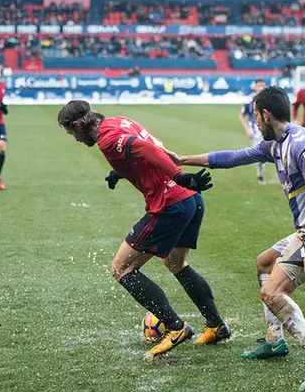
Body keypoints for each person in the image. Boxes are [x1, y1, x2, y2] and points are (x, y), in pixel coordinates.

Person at [168, 86, 305, 391]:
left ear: (266, 115)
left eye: (255, 116)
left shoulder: (301, 145)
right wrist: (183, 160)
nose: (254, 122)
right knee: (264, 264)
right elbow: (233, 157)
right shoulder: (276, 144)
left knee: (272, 293)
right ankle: (275, 341)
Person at [57, 100, 230, 359]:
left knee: (121, 268)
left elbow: (143, 147)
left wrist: (179, 176)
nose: (75, 139)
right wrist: (121, 171)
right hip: (191, 199)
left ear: (80, 125)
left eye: (72, 133)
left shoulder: (106, 138)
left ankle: (175, 327)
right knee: (176, 264)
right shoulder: (118, 121)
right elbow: (149, 147)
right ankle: (216, 325)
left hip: (170, 204)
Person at [239, 78, 267, 183]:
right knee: (261, 153)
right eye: (259, 85)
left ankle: (261, 175)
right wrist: (247, 129)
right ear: (255, 87)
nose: (261, 88)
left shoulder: (268, 100)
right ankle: (260, 176)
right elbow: (241, 116)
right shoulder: (249, 100)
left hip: (267, 129)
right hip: (255, 131)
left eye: (263, 85)